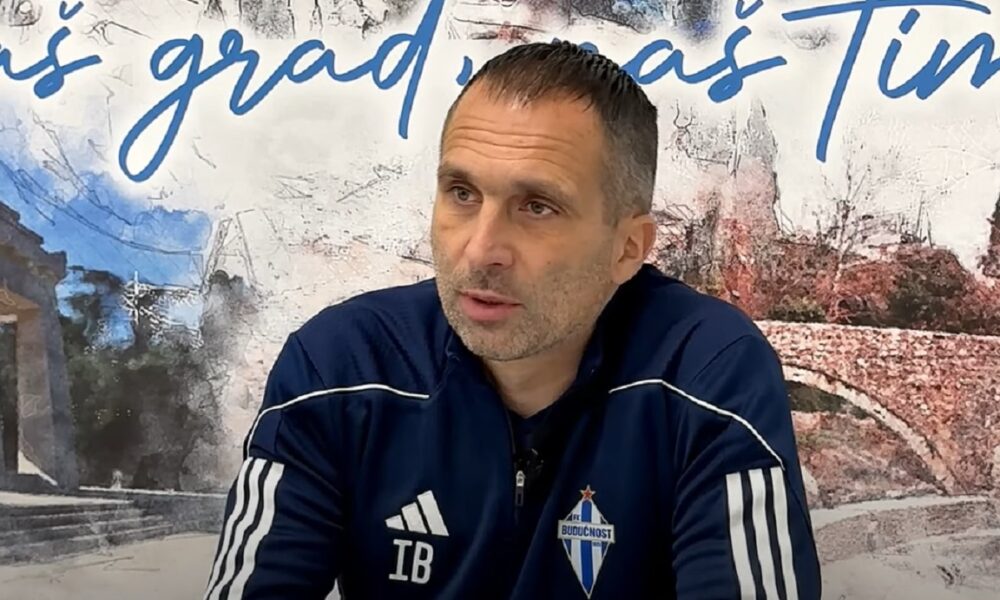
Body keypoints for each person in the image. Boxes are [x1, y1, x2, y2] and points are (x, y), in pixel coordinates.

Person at [203, 40, 822, 599]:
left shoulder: (708, 375)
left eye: (537, 206)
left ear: (628, 248)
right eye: (462, 194)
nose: (480, 251)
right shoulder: (339, 368)